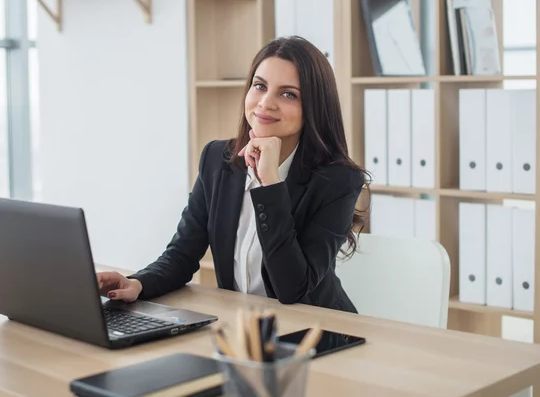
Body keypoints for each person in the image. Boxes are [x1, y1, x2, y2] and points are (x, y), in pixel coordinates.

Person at [96, 36, 369, 313]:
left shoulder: (339, 181)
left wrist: (269, 183)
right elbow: (182, 254)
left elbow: (292, 289)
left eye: (288, 94)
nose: (265, 103)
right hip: (242, 330)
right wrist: (137, 283)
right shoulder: (216, 159)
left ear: (314, 106)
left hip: (315, 331)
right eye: (259, 86)